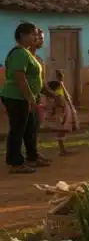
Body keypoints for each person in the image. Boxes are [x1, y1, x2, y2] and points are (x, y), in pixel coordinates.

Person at [3, 23, 45, 173]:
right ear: (22, 36)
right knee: (18, 129)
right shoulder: (20, 53)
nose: (35, 37)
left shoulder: (26, 52)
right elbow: (20, 76)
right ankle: (15, 163)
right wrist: (30, 98)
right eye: (32, 34)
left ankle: (32, 156)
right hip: (17, 97)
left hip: (23, 97)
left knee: (29, 128)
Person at [40, 77, 78, 156]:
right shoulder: (57, 96)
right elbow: (59, 105)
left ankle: (63, 150)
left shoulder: (54, 96)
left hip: (61, 116)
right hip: (62, 117)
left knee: (61, 133)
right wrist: (62, 117)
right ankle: (62, 150)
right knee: (61, 132)